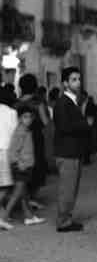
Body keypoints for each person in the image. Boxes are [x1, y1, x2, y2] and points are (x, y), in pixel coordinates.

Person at [53, 67, 92, 232]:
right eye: (73, 80)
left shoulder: (72, 101)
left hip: (73, 151)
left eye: (79, 79)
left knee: (71, 188)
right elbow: (64, 126)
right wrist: (85, 124)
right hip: (67, 152)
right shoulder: (63, 102)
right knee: (67, 189)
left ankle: (66, 218)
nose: (78, 82)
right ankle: (63, 221)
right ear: (65, 83)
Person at [0, 104, 46, 227]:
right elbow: (13, 151)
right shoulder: (20, 132)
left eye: (30, 117)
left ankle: (29, 217)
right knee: (17, 194)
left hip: (25, 166)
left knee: (24, 194)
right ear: (20, 118)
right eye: (25, 117)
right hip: (21, 168)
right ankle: (3, 218)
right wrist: (19, 164)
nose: (28, 119)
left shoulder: (25, 130)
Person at [17, 73, 50, 209]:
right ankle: (31, 197)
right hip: (35, 138)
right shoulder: (37, 103)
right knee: (37, 166)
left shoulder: (16, 103)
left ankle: (25, 197)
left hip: (20, 138)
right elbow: (45, 121)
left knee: (24, 167)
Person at [0, 86, 18, 229]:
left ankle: (3, 214)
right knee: (6, 185)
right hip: (5, 150)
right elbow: (14, 133)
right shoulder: (11, 112)